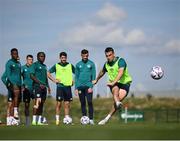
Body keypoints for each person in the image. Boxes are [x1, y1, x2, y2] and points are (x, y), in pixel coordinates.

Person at [93, 47, 132, 125]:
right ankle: (117, 102)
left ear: (113, 54)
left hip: (125, 83)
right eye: (106, 56)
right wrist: (97, 79)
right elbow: (102, 72)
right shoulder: (106, 64)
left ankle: (106, 119)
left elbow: (120, 72)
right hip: (114, 84)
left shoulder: (121, 61)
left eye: (110, 55)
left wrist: (114, 81)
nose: (108, 57)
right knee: (115, 90)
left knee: (118, 99)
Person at [47, 52, 75, 125]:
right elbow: (48, 73)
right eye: (62, 58)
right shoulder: (56, 65)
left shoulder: (70, 65)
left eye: (64, 58)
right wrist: (54, 80)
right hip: (60, 86)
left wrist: (73, 81)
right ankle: (57, 120)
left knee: (67, 104)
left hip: (68, 87)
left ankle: (66, 119)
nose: (63, 59)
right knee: (59, 104)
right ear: (60, 58)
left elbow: (77, 73)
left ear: (66, 58)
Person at [75, 49, 96, 125]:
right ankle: (84, 119)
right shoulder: (78, 64)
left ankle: (91, 119)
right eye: (84, 56)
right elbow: (76, 77)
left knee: (90, 102)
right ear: (81, 55)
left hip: (88, 86)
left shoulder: (91, 64)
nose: (85, 57)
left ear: (88, 55)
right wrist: (76, 88)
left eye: (86, 55)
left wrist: (91, 86)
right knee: (83, 103)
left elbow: (93, 77)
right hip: (80, 86)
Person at [1, 48, 22, 125]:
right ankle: (11, 117)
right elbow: (7, 76)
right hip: (12, 84)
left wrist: (21, 84)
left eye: (16, 53)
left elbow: (19, 76)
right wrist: (9, 84)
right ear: (11, 54)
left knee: (15, 102)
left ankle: (12, 119)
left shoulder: (19, 63)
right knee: (10, 103)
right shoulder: (9, 63)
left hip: (19, 84)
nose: (15, 55)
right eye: (14, 53)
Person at [30, 52, 51, 125]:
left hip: (44, 88)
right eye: (41, 56)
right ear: (37, 57)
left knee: (42, 104)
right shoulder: (34, 65)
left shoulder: (45, 66)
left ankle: (39, 121)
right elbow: (32, 76)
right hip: (37, 86)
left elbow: (45, 77)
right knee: (37, 103)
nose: (42, 58)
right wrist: (39, 83)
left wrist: (48, 86)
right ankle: (33, 121)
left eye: (44, 56)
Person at [21, 55, 34, 125]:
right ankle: (27, 121)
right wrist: (22, 85)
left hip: (34, 88)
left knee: (38, 103)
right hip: (26, 89)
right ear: (26, 60)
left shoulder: (34, 68)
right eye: (29, 59)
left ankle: (36, 120)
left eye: (32, 59)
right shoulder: (23, 68)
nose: (31, 61)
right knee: (26, 105)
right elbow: (19, 76)